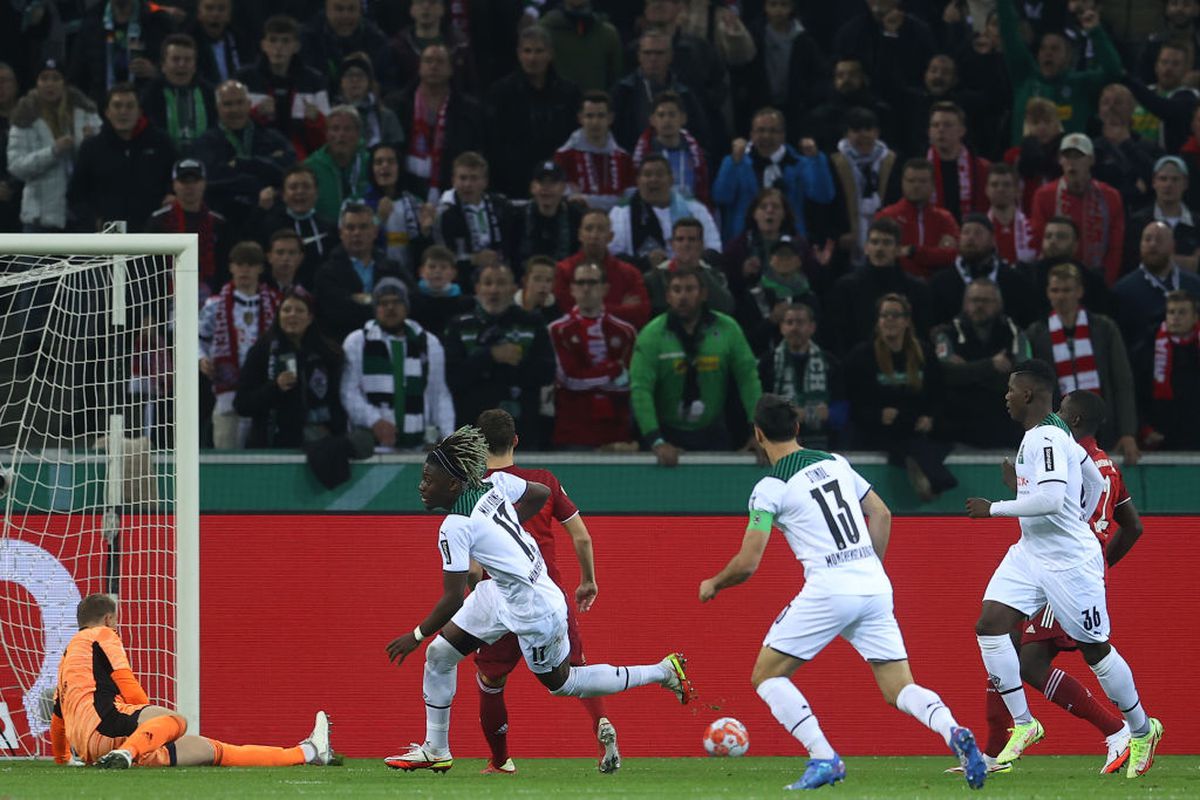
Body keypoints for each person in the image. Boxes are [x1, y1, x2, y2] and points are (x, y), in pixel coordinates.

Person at [698, 394, 986, 791]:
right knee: (899, 687)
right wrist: (869, 568)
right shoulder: (836, 462)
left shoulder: (769, 488)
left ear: (758, 434)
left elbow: (748, 562)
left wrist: (714, 582)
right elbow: (881, 514)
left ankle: (824, 757)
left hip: (830, 587)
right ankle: (953, 731)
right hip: (873, 583)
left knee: (766, 676)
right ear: (798, 429)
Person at [382, 426, 694, 773]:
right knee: (440, 655)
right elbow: (540, 492)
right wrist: (508, 531)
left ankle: (663, 672)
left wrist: (414, 636)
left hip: (533, 607)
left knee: (564, 684)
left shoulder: (454, 525)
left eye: (428, 479)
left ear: (454, 485)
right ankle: (436, 749)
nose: (421, 486)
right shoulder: (494, 485)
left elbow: (454, 597)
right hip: (501, 591)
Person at [966, 358, 1163, 778]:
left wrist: (993, 509)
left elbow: (1054, 500)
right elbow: (1091, 481)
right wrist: (1080, 517)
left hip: (1068, 561)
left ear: (1030, 395)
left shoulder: (1046, 440)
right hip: (1031, 553)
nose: (1006, 397)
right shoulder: (1050, 434)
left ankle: (1141, 729)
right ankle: (1024, 724)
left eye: (1011, 390)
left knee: (1096, 650)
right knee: (990, 625)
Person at [471, 408, 621, 773]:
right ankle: (601, 722)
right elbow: (582, 536)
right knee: (576, 669)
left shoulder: (474, 489)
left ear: (478, 446)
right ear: (516, 441)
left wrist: (473, 600)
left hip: (501, 598)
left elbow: (474, 566)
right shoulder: (542, 481)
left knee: (491, 680)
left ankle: (500, 760)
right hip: (548, 592)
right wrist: (588, 580)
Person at [51, 593, 335, 769]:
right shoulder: (102, 635)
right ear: (109, 618)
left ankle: (308, 752)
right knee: (176, 721)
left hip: (93, 752)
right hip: (111, 730)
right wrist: (151, 724)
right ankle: (127, 753)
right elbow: (127, 682)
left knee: (212, 750)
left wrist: (64, 759)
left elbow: (58, 721)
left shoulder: (65, 660)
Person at [630, 267, 762, 465]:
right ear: (667, 296)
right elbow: (640, 390)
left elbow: (748, 380)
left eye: (690, 289)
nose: (683, 296)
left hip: (713, 431)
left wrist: (759, 434)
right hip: (666, 432)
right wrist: (656, 440)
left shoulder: (728, 329)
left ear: (703, 294)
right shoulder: (651, 335)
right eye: (676, 290)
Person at [845, 293, 955, 502]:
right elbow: (854, 403)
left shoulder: (924, 352)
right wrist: (877, 415)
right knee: (904, 440)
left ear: (907, 320)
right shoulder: (862, 355)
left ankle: (921, 468)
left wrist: (930, 418)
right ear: (878, 321)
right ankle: (932, 475)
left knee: (932, 437)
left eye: (895, 315)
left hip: (916, 425)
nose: (889, 320)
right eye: (884, 315)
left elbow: (939, 394)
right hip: (881, 429)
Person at [1027, 262, 1139, 463]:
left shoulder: (1104, 328)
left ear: (1079, 291)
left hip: (1104, 429)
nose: (1061, 296)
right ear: (1048, 293)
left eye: (1067, 290)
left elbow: (1122, 382)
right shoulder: (1036, 333)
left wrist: (1128, 432)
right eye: (1055, 290)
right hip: (1056, 431)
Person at [442, 262, 556, 449]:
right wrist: (489, 356)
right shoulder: (459, 325)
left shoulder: (531, 322)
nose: (494, 289)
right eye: (487, 283)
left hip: (521, 431)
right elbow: (453, 378)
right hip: (472, 432)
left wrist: (516, 364)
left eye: (501, 283)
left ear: (513, 288)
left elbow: (547, 372)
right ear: (477, 288)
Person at [341, 277, 454, 454]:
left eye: (396, 302)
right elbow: (349, 392)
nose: (390, 308)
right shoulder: (357, 341)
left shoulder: (428, 343)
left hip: (418, 447)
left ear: (406, 306)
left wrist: (448, 440)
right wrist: (374, 421)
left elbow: (439, 394)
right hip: (373, 448)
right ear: (375, 308)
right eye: (383, 303)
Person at [995, 0, 1122, 145]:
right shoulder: (1025, 78)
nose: (1048, 53)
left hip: (1067, 162)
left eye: (1055, 49)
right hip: (1026, 162)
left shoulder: (1080, 84)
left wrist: (1095, 31)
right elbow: (1009, 35)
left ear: (1069, 56)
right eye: (1043, 48)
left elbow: (1113, 72)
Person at [235, 287, 346, 449]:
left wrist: (335, 432)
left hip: (320, 446)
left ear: (310, 318)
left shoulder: (327, 353)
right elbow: (242, 405)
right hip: (272, 445)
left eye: (299, 310)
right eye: (286, 310)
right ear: (278, 315)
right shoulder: (262, 350)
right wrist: (275, 387)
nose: (292, 315)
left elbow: (338, 401)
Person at [199, 241, 282, 449]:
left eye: (251, 264)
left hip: (263, 392)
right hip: (227, 394)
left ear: (261, 268)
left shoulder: (276, 303)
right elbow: (197, 338)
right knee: (227, 456)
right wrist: (201, 359)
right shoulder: (214, 305)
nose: (245, 269)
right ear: (231, 267)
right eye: (239, 264)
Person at [485, 24, 581, 199]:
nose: (532, 58)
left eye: (539, 51)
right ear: (519, 53)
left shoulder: (569, 93)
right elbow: (493, 142)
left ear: (550, 54)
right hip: (513, 182)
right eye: (527, 51)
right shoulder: (501, 92)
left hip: (558, 180)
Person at [549, 260, 638, 449]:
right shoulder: (557, 330)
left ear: (605, 288)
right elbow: (568, 380)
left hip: (615, 432)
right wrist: (611, 370)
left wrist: (593, 376)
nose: (586, 289)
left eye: (592, 282)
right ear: (572, 289)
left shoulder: (626, 331)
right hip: (573, 431)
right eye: (581, 283)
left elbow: (628, 383)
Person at [712, 107, 833, 244]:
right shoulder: (735, 162)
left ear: (783, 135)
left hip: (790, 243)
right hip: (745, 243)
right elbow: (721, 197)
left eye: (773, 131)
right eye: (761, 130)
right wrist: (733, 164)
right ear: (751, 134)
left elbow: (824, 196)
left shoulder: (800, 164)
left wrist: (815, 160)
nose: (766, 136)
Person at [931, 279, 1029, 449]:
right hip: (957, 427)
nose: (979, 306)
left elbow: (1022, 379)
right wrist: (991, 365)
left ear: (998, 304)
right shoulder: (947, 332)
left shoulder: (1013, 332)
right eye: (974, 300)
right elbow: (945, 374)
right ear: (965, 303)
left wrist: (966, 370)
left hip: (1003, 427)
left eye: (986, 301)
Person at [8, 59, 100, 232]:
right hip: (40, 217)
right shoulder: (24, 117)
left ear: (64, 83)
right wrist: (53, 151)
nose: (50, 84)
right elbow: (16, 167)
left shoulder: (86, 112)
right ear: (36, 83)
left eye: (56, 78)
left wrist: (91, 144)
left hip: (81, 213)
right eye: (44, 78)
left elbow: (104, 158)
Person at [68, 83, 174, 233]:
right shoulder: (92, 148)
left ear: (139, 112)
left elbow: (175, 179)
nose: (123, 112)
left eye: (130, 106)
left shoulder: (161, 143)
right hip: (107, 237)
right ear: (107, 112)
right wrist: (94, 221)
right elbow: (76, 195)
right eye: (117, 106)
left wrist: (171, 197)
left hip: (152, 234)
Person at [826, 218, 935, 357]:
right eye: (874, 242)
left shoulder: (917, 289)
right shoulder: (846, 287)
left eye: (887, 242)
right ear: (866, 248)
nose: (879, 248)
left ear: (898, 250)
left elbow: (922, 338)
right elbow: (838, 338)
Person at [1028, 133, 1124, 286]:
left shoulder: (1110, 196)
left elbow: (1115, 247)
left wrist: (1104, 283)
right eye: (1067, 157)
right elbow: (1040, 240)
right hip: (1056, 282)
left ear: (1091, 160)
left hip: (1096, 279)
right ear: (1060, 160)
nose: (1072, 163)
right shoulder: (1045, 195)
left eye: (1078, 156)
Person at [392, 42, 485, 200]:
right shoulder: (397, 104)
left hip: (454, 188)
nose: (433, 66)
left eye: (440, 61)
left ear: (451, 69)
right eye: (428, 61)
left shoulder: (470, 109)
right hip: (406, 188)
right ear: (419, 67)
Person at [193, 80, 295, 220]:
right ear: (217, 107)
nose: (235, 109)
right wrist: (264, 169)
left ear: (249, 104)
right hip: (226, 217)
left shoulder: (273, 137)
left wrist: (240, 164)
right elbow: (210, 181)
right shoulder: (205, 143)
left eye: (240, 102)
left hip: (272, 215)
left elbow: (290, 170)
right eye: (228, 104)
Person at [314, 200, 415, 341]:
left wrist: (360, 300)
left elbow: (409, 302)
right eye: (350, 228)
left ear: (375, 232)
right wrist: (381, 304)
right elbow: (337, 312)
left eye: (363, 227)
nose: (357, 233)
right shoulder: (327, 272)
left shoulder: (393, 268)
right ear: (341, 233)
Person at [237, 14, 330, 161]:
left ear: (296, 46)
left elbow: (327, 136)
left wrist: (316, 121)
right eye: (273, 40)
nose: (278, 47)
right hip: (256, 159)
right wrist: (255, 114)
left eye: (285, 41)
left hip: (304, 161)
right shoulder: (244, 79)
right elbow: (232, 126)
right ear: (263, 45)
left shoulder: (314, 81)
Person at [757, 304, 847, 451]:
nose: (794, 328)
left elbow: (842, 406)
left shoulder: (830, 363)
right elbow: (759, 406)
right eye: (789, 322)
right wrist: (786, 415)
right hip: (779, 443)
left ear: (812, 327)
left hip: (824, 443)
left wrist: (829, 414)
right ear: (781, 327)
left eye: (800, 322)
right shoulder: (767, 363)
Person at [609, 155, 721, 267]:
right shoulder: (620, 212)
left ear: (671, 180)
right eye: (647, 175)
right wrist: (645, 263)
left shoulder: (696, 209)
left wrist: (689, 262)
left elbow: (714, 248)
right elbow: (613, 254)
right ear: (638, 181)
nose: (653, 179)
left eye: (659, 174)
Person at [929, 213, 1036, 328]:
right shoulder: (941, 282)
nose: (970, 237)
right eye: (966, 232)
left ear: (992, 240)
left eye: (978, 233)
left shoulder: (1014, 281)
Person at [1113, 221, 1200, 362]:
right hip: (1144, 373)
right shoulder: (1122, 291)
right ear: (1140, 245)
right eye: (1147, 239)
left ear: (1173, 246)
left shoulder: (1195, 285)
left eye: (1159, 239)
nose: (1152, 244)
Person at [145, 158, 230, 297]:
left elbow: (224, 268)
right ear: (174, 185)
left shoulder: (218, 223)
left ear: (204, 184)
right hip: (168, 299)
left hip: (211, 299)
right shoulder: (159, 221)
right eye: (184, 181)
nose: (189, 187)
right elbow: (148, 268)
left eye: (195, 181)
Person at [553, 209, 650, 329]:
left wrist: (587, 307)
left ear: (610, 237)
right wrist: (620, 308)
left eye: (601, 229)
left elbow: (641, 314)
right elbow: (564, 312)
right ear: (580, 235)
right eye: (589, 229)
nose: (594, 235)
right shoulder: (563, 271)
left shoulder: (630, 273)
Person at [829, 107, 898, 268]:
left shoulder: (891, 161)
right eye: (857, 130)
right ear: (846, 134)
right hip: (848, 242)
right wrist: (838, 235)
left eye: (869, 129)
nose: (864, 135)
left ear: (877, 132)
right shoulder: (834, 162)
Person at [432, 151, 517, 275]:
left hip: (500, 277)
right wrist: (473, 259)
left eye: (474, 178)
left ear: (485, 181)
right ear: (453, 181)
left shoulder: (502, 206)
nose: (468, 184)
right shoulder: (444, 214)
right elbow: (440, 258)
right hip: (462, 281)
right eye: (463, 178)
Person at [875, 158, 960, 279]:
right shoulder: (887, 216)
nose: (916, 186)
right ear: (902, 183)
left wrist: (912, 251)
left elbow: (952, 256)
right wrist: (934, 254)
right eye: (911, 181)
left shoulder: (945, 219)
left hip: (935, 286)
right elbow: (883, 255)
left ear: (933, 185)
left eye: (922, 181)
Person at [552, 91, 636, 212]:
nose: (595, 122)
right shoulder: (564, 156)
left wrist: (588, 200)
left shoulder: (624, 158)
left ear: (610, 118)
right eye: (589, 116)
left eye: (601, 116)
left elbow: (631, 197)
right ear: (580, 118)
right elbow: (562, 196)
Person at [1138, 290, 1200, 450]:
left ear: (1195, 317)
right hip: (1161, 436)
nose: (1175, 317)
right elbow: (1137, 392)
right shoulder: (1148, 347)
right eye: (1171, 312)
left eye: (1182, 312)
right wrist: (1144, 428)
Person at [364, 142, 435, 274]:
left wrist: (425, 232)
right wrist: (378, 220)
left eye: (391, 161)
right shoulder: (360, 204)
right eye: (379, 162)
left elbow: (426, 253)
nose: (385, 166)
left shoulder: (415, 204)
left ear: (399, 167)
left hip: (408, 277)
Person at [140, 34, 216, 153]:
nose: (182, 65)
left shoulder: (210, 93)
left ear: (195, 66)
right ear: (163, 65)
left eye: (187, 60)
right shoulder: (149, 94)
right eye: (176, 59)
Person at [646, 218, 736, 319]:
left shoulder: (715, 275)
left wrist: (699, 270)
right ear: (672, 244)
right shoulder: (653, 278)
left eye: (692, 239)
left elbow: (726, 308)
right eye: (680, 239)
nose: (686, 244)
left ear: (702, 244)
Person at [631, 90, 710, 206]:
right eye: (661, 115)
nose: (667, 120)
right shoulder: (644, 155)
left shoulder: (696, 155)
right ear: (652, 120)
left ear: (683, 118)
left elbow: (704, 192)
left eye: (672, 114)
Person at [1125, 155, 1199, 274]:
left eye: (1175, 179)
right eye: (1163, 179)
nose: (1168, 184)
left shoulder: (1197, 224)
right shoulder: (1138, 222)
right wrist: (1185, 262)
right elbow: (1134, 262)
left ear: (1185, 183)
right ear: (1154, 182)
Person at [300, 0, 394, 91]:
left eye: (352, 9)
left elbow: (387, 83)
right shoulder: (307, 39)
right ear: (327, 10)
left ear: (360, 11)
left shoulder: (377, 41)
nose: (346, 16)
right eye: (339, 9)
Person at [304, 104, 372, 222]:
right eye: (335, 129)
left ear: (358, 133)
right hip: (324, 232)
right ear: (326, 133)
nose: (341, 134)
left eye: (347, 129)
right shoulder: (310, 167)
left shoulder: (371, 163)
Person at [539, 0, 623, 93]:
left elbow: (616, 79)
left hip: (598, 104)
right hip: (554, 103)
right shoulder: (544, 32)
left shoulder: (608, 33)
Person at [513, 161, 584, 265]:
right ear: (532, 187)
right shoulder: (518, 216)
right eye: (542, 182)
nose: (546, 188)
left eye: (552, 183)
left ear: (563, 188)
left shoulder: (576, 217)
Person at [335, 52, 402, 149]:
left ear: (369, 81)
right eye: (349, 75)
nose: (355, 80)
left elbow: (397, 148)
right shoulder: (331, 114)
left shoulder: (386, 117)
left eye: (360, 75)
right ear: (341, 81)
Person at [409, 244, 473, 339]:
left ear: (453, 273)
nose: (437, 271)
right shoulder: (412, 301)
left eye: (443, 267)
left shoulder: (465, 303)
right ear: (421, 271)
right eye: (432, 267)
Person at [986, 163, 1035, 266]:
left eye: (1006, 185)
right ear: (987, 190)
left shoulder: (1033, 229)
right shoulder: (980, 230)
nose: (1000, 189)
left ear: (1018, 191)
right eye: (994, 185)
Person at [265, 229, 308, 294]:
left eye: (292, 253)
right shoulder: (256, 290)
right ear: (269, 257)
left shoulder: (306, 295)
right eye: (280, 252)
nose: (286, 258)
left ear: (300, 258)